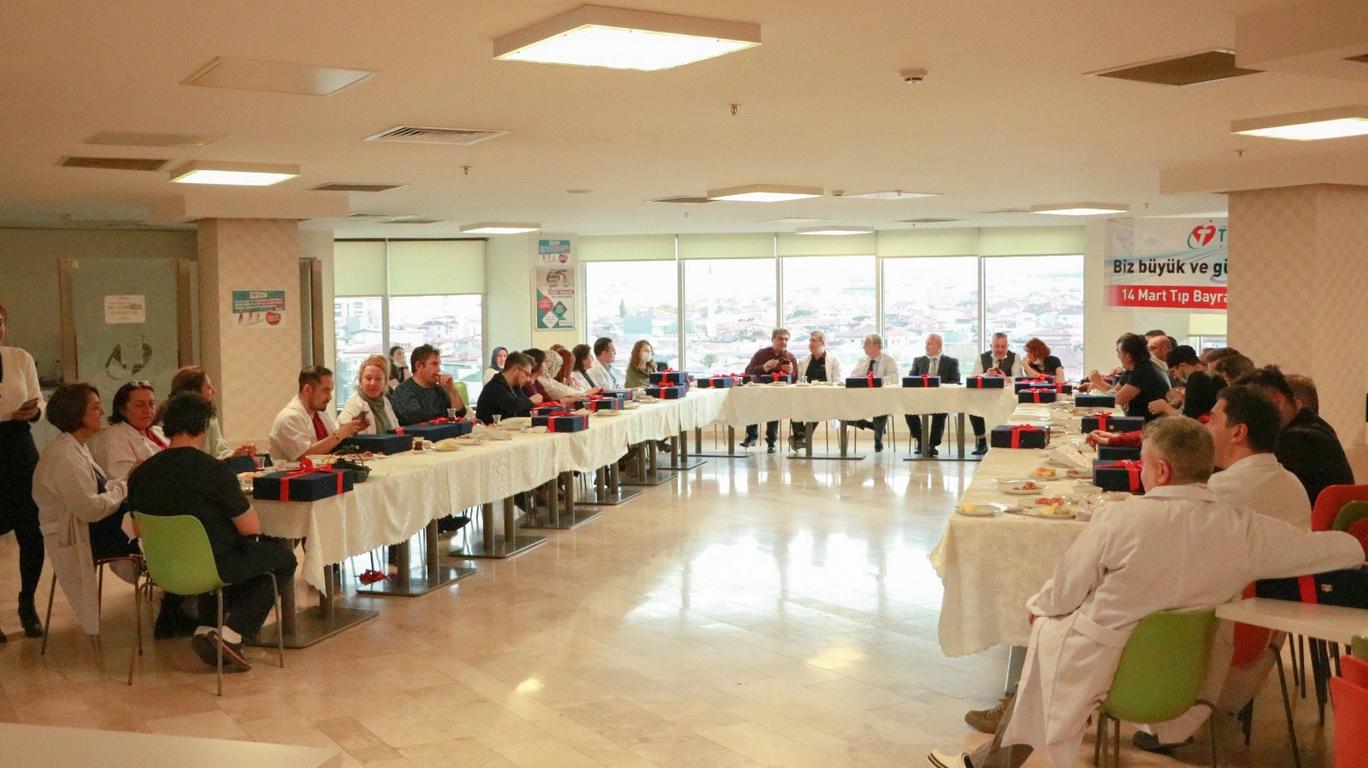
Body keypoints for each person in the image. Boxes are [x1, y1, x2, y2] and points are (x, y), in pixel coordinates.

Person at [930, 417, 1363, 768]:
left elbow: (1062, 593)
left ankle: (990, 764)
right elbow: (1327, 549)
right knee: (1052, 629)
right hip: (1188, 677)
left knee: (1046, 630)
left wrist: (1039, 609)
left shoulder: (1121, 519)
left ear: (1162, 470)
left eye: (1142, 462)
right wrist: (1357, 543)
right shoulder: (1243, 527)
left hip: (1105, 675)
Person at [129, 393, 297, 672]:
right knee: (281, 558)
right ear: (204, 426)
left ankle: (207, 628)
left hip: (162, 570)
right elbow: (250, 528)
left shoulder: (141, 473)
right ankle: (233, 634)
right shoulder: (213, 470)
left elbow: (138, 529)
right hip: (212, 566)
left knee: (230, 555)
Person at [32, 383, 140, 639]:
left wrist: (126, 480)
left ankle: (176, 601)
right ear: (76, 414)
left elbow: (101, 488)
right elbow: (90, 509)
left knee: (148, 521)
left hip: (93, 527)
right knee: (153, 532)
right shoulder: (64, 457)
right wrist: (125, 487)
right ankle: (178, 600)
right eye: (95, 408)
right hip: (84, 534)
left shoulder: (77, 447)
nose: (102, 412)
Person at [1237, 365, 1354, 506]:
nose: (1245, 420)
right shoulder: (1316, 430)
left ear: (1278, 402)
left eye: (1251, 409)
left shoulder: (1298, 441)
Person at [0, 304, 47, 640]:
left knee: (31, 529)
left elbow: (38, 400)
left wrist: (32, 411)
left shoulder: (20, 357)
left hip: (18, 445)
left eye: (0, 322)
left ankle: (27, 603)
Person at [268, 366, 368, 462]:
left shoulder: (321, 414)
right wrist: (340, 433)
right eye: (326, 391)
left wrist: (351, 429)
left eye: (330, 391)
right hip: (294, 473)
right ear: (307, 389)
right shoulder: (289, 418)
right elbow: (304, 456)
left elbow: (332, 444)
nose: (330, 398)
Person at [168, 366, 255, 459]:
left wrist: (235, 454)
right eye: (208, 387)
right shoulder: (170, 419)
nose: (214, 391)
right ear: (195, 393)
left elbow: (218, 451)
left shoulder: (210, 418)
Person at [89, 381, 166, 482]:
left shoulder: (158, 431)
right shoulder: (113, 438)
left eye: (151, 404)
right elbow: (122, 480)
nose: (148, 410)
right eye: (139, 405)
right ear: (122, 410)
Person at [1089, 333, 1170, 422]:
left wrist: (1099, 382)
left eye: (1119, 352)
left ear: (1129, 356)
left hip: (1149, 425)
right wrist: (1099, 383)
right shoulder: (1133, 369)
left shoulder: (1144, 372)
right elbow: (1114, 391)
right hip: (1138, 420)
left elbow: (1116, 401)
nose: (1118, 356)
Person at [741, 329, 798, 453]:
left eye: (786, 339)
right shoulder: (761, 354)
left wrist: (790, 372)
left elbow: (796, 379)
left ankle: (771, 442)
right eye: (780, 338)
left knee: (774, 405)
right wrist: (764, 367)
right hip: (759, 392)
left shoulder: (790, 357)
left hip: (779, 394)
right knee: (752, 402)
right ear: (772, 340)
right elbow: (748, 371)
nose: (784, 342)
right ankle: (751, 437)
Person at [905, 333, 960, 456]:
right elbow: (910, 380)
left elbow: (956, 381)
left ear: (939, 346)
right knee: (907, 409)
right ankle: (921, 440)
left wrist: (938, 384)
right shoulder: (918, 361)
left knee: (940, 410)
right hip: (920, 399)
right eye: (926, 343)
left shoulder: (951, 362)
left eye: (929, 344)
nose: (926, 346)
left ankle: (932, 444)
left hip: (941, 400)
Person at [969, 333, 1024, 455]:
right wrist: (985, 375)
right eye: (997, 346)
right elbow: (972, 378)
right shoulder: (982, 358)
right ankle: (981, 441)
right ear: (991, 346)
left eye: (1003, 346)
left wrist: (1006, 378)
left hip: (1008, 397)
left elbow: (1019, 379)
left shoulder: (1015, 357)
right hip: (985, 396)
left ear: (1007, 346)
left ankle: (1013, 440)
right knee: (972, 406)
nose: (1000, 349)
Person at [790, 331, 843, 451]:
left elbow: (837, 381)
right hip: (805, 397)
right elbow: (799, 381)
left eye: (813, 340)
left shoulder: (834, 361)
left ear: (823, 343)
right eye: (809, 340)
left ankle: (800, 437)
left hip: (825, 398)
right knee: (793, 405)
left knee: (817, 405)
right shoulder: (803, 361)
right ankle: (801, 437)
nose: (810, 343)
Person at [389, 344, 467, 425]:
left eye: (439, 364)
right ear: (419, 366)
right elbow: (420, 422)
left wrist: (451, 389)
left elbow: (459, 414)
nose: (439, 369)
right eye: (434, 364)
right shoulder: (403, 391)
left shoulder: (438, 389)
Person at [848, 333, 899, 453]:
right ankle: (872, 426)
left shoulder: (889, 360)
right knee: (842, 411)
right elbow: (852, 376)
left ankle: (878, 438)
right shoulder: (862, 360)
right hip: (860, 398)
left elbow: (895, 379)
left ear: (876, 346)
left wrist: (877, 380)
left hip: (880, 399)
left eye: (866, 344)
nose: (863, 347)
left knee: (881, 407)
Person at [337, 354, 400, 435]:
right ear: (360, 381)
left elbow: (396, 430)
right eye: (368, 378)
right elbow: (341, 436)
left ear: (385, 383)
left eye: (378, 379)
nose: (372, 383)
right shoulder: (354, 406)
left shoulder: (385, 401)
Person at [476, 351, 536, 424]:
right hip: (490, 430)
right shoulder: (495, 386)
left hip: (507, 429)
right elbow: (512, 407)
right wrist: (531, 400)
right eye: (526, 374)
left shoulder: (515, 386)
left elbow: (525, 408)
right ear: (516, 370)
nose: (528, 379)